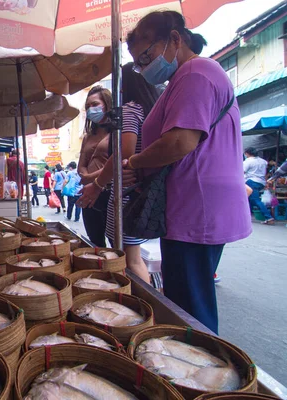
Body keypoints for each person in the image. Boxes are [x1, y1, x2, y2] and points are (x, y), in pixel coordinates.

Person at [122, 10, 251, 333]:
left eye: (146, 56)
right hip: (192, 206)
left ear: (175, 40)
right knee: (187, 302)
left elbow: (180, 142)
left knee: (191, 312)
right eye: (138, 63)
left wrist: (135, 164)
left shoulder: (196, 73)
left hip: (197, 206)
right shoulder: (185, 78)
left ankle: (203, 379)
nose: (142, 68)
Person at [77, 63, 159, 283]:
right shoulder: (149, 109)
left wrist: (98, 184)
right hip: (136, 191)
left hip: (127, 193)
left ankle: (142, 301)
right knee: (129, 256)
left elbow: (124, 153)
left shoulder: (131, 111)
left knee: (129, 259)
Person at [77, 86, 112, 247]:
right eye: (88, 106)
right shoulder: (88, 135)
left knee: (116, 243)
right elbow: (81, 165)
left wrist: (91, 178)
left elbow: (117, 162)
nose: (91, 109)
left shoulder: (118, 133)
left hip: (108, 192)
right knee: (95, 242)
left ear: (107, 104)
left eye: (95, 104)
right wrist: (85, 177)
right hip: (88, 194)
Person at [243, 147, 273, 224]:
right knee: (249, 199)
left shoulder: (248, 161)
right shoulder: (263, 161)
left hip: (251, 181)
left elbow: (242, 171)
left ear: (247, 153)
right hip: (261, 182)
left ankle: (268, 217)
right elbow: (265, 172)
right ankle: (245, 216)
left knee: (255, 199)